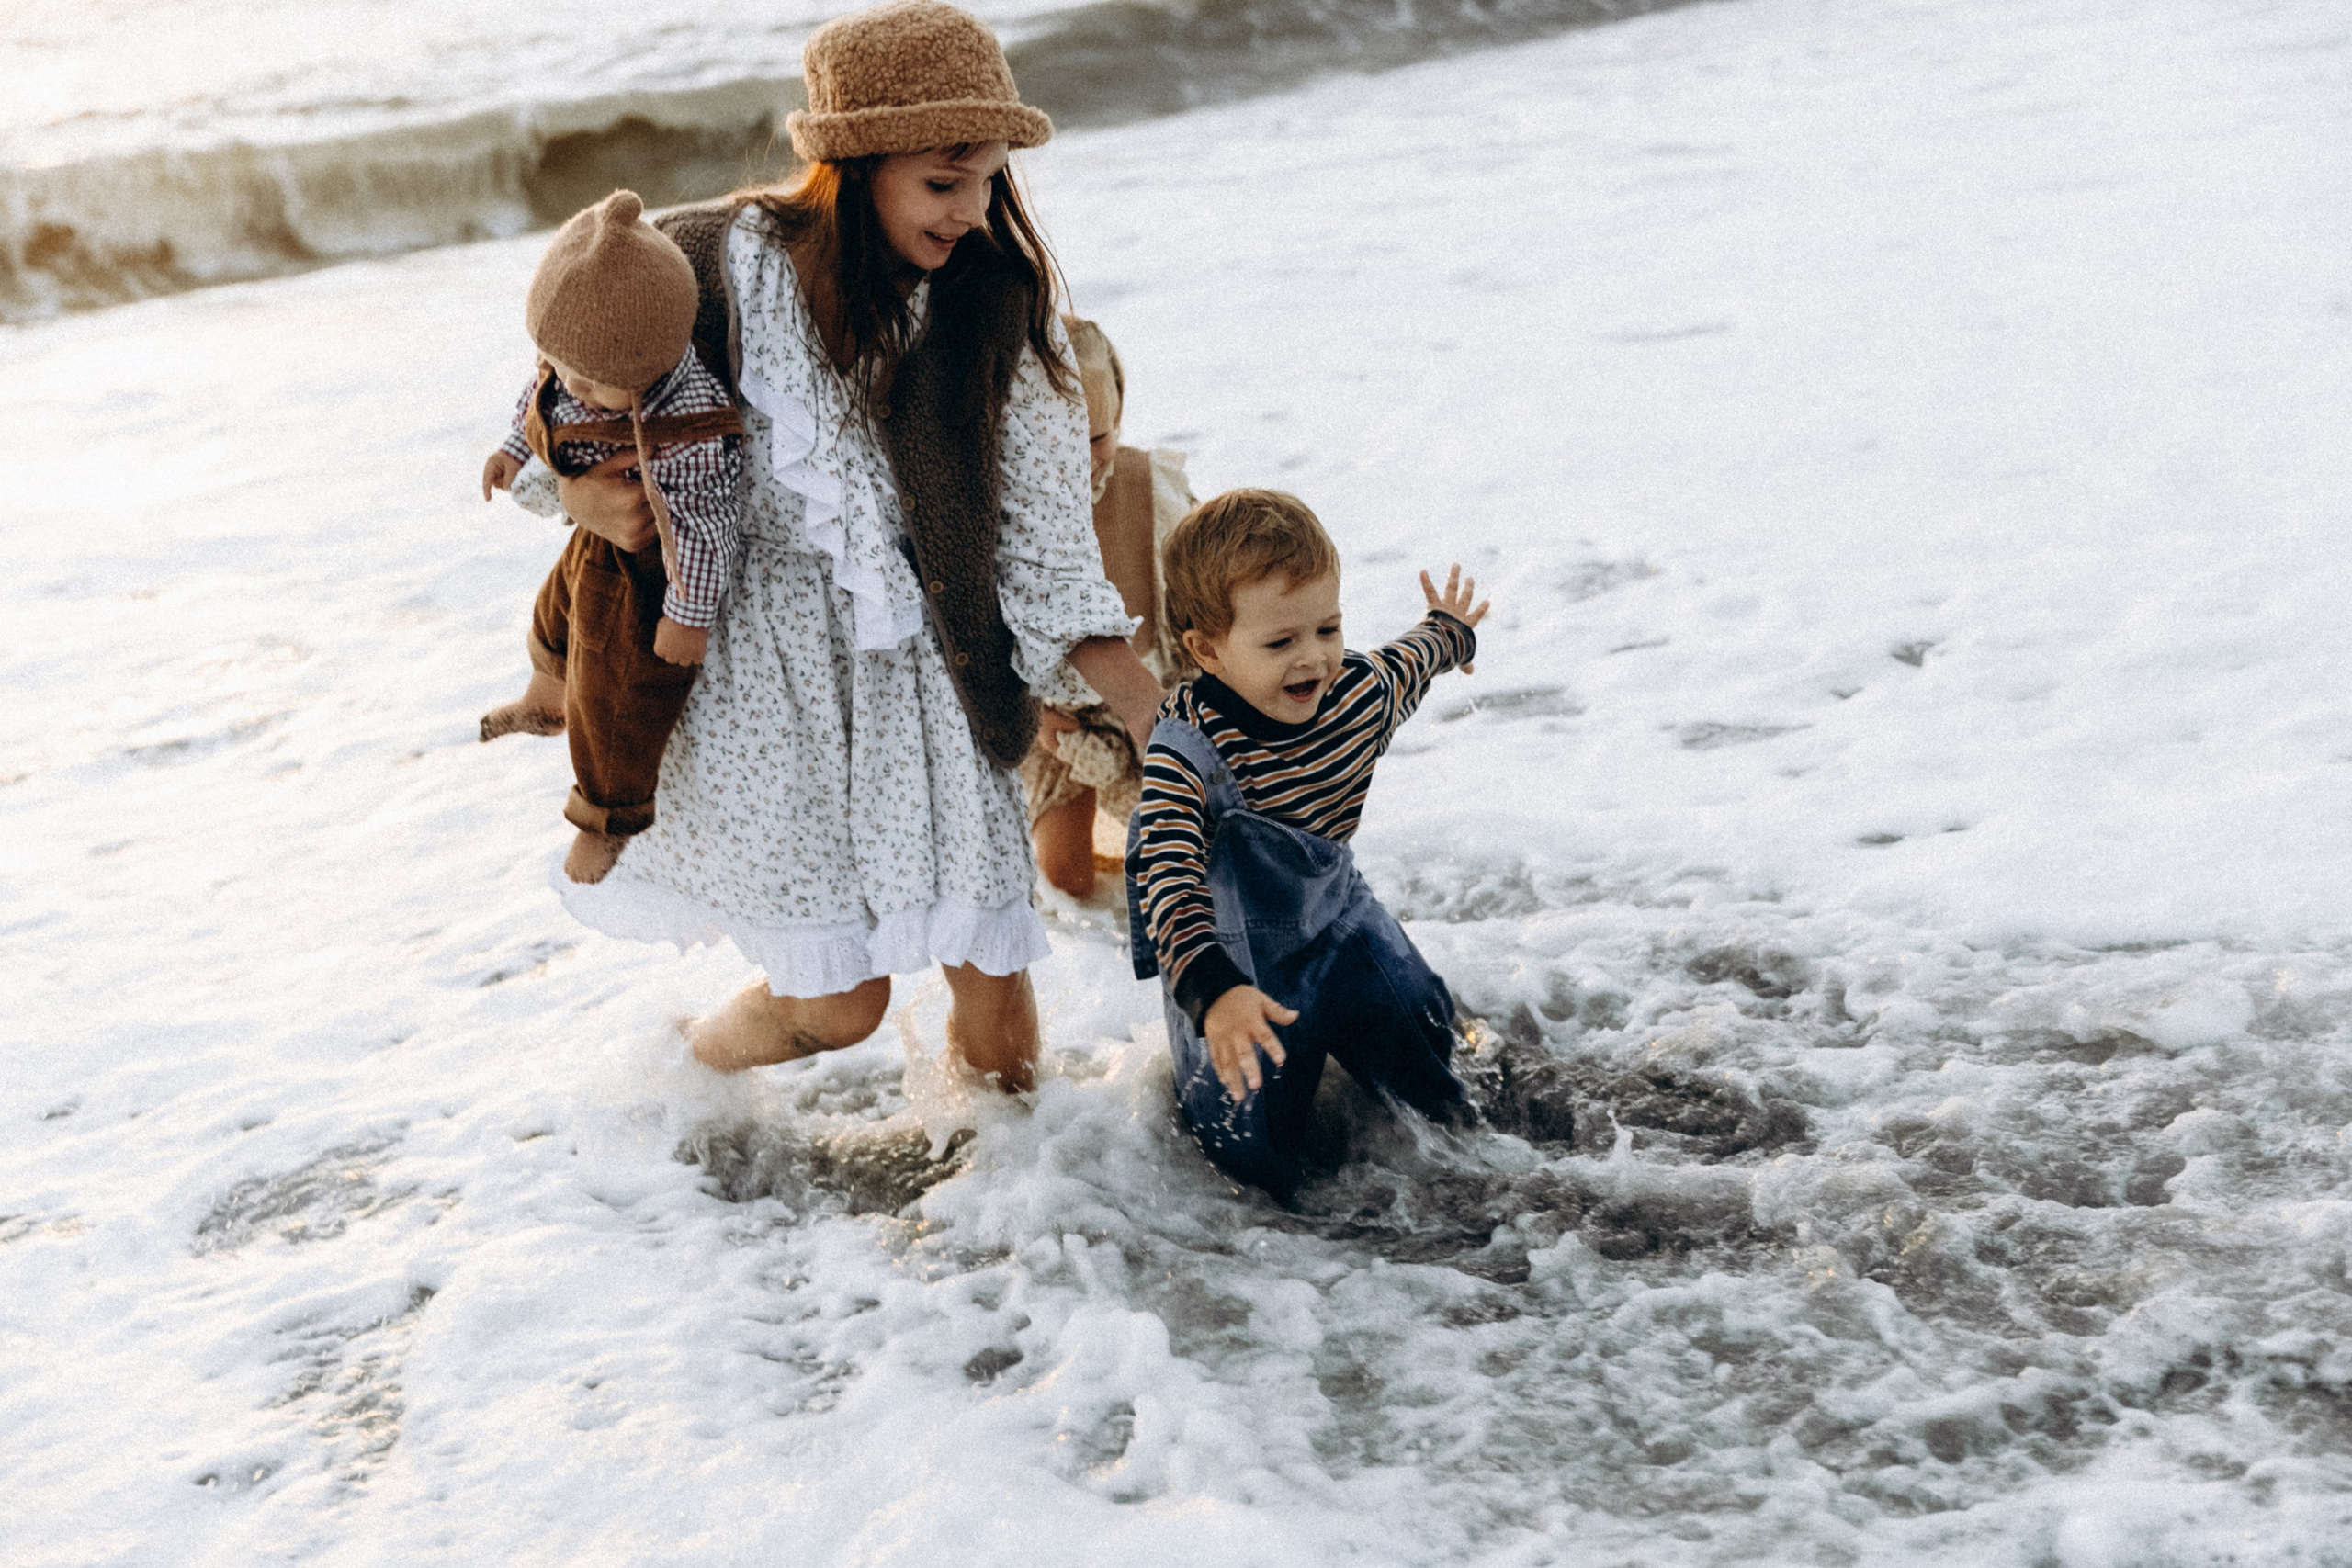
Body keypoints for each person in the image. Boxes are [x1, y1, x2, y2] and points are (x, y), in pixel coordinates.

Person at [520, 0, 1162, 1092]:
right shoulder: (701, 262)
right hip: (758, 688)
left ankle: (1025, 1178)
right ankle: (680, 1083)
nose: (974, 212)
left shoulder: (997, 309)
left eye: (990, 181)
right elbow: (563, 398)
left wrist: (1160, 721)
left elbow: (1049, 557)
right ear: (855, 166)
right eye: (944, 182)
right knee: (838, 1006)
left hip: (932, 673)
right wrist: (581, 496)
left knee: (991, 966)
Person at [1125, 489, 1491, 1197]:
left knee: (1433, 1056)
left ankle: (1466, 1167)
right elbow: (1167, 875)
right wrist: (1213, 991)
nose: (1315, 659)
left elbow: (1411, 662)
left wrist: (1451, 632)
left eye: (1328, 627)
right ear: (1207, 650)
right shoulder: (1185, 751)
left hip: (1341, 925)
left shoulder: (1356, 693)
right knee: (1249, 1152)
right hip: (1231, 957)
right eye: (1280, 642)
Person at [478, 190, 746, 886]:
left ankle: (605, 816)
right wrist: (513, 452)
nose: (577, 386)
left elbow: (706, 526)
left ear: (655, 365)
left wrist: (688, 616)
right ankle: (545, 695)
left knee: (619, 695)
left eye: (598, 383)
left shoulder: (687, 424)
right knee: (553, 611)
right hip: (595, 540)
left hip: (652, 572)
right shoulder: (577, 361)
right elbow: (540, 398)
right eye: (563, 364)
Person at [1022, 316, 1198, 899]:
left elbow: (1212, 601)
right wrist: (1032, 719)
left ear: (1118, 418)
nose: (1080, 460)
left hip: (1151, 694)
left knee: (1192, 849)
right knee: (1066, 877)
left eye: (1097, 438)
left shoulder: (1153, 489)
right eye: (1058, 441)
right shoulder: (1008, 508)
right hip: (1058, 718)